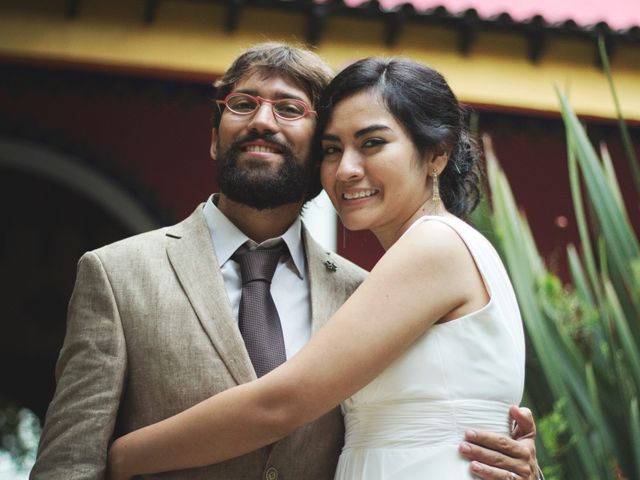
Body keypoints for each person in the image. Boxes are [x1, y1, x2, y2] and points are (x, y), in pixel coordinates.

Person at [32, 44, 539, 480]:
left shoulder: (370, 286)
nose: (261, 121)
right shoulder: (117, 274)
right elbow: (69, 462)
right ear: (213, 136)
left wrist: (121, 456)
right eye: (242, 103)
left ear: (437, 154)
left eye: (290, 109)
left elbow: (283, 403)